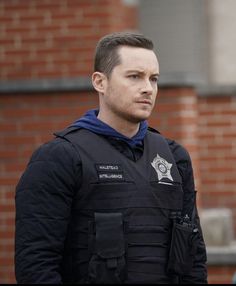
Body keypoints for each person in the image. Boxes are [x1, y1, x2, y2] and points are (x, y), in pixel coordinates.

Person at [15, 31, 208, 284]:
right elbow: (35, 267)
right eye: (134, 77)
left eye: (154, 78)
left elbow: (194, 261)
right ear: (100, 82)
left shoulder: (174, 157)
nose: (148, 88)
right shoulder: (59, 158)